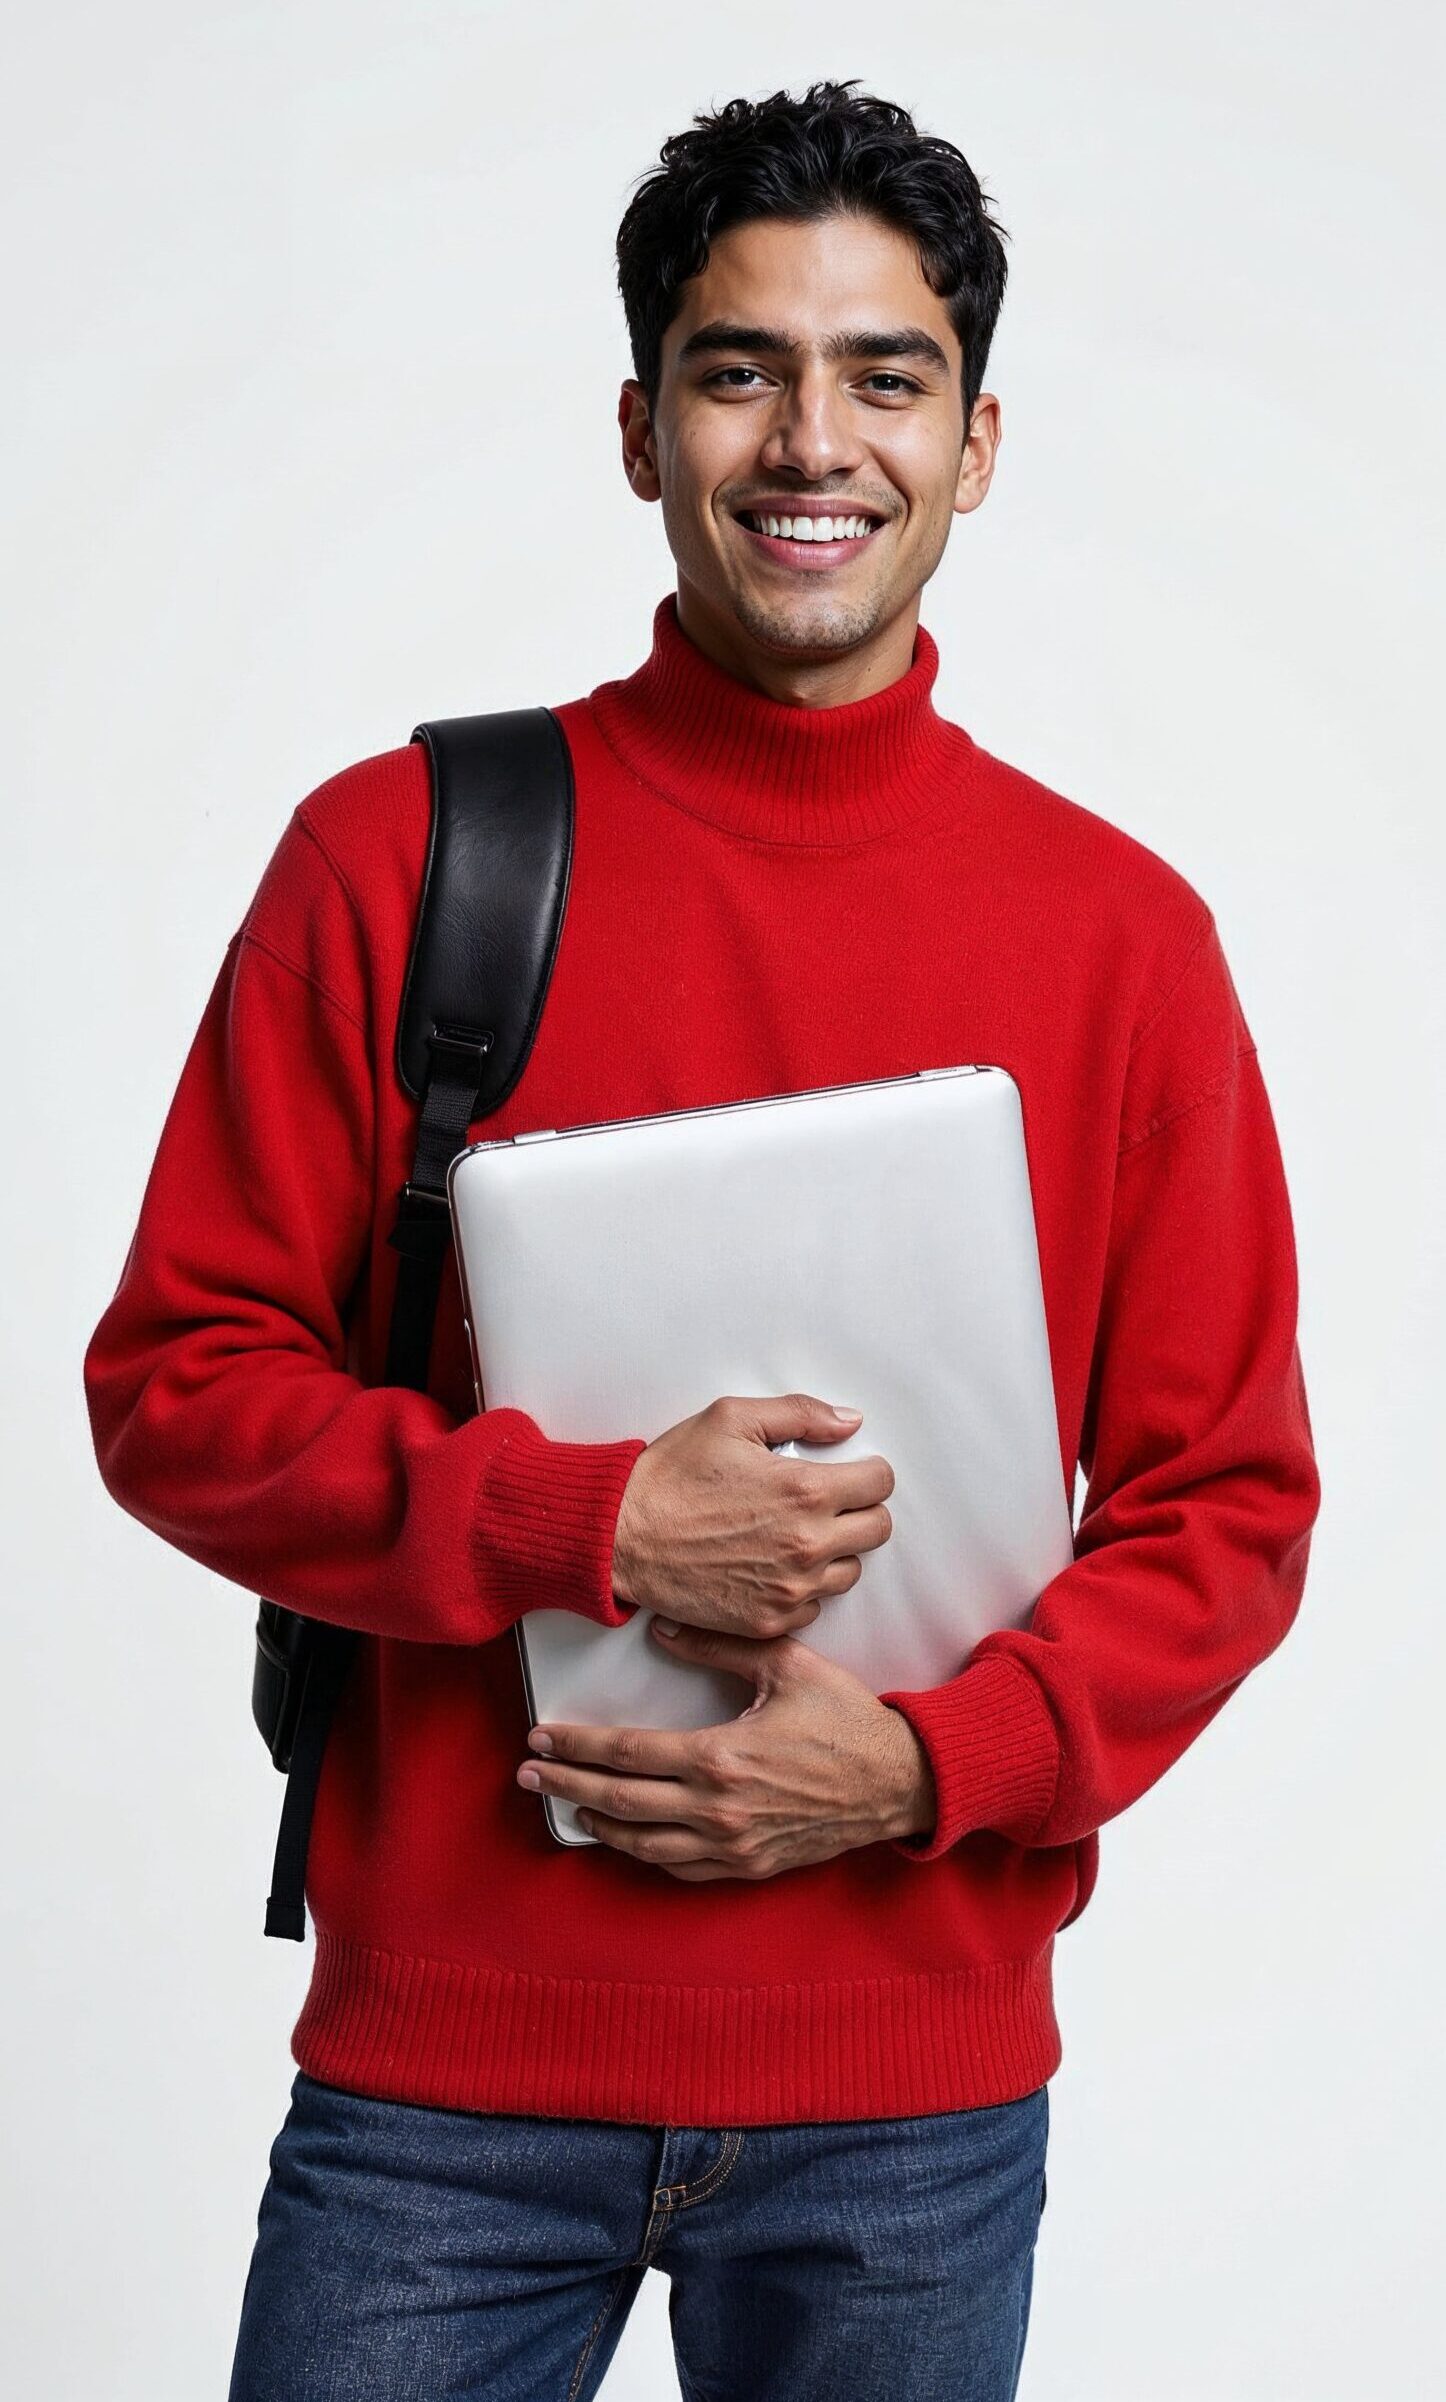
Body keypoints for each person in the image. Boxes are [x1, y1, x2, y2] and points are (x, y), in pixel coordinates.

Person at [82, 78, 1321, 2402]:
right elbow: (175, 1386)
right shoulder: (399, 859)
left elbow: (1230, 1507)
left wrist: (932, 1768)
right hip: (445, 2081)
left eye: (888, 375)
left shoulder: (1126, 942)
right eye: (742, 370)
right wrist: (579, 1517)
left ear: (977, 442)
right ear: (639, 429)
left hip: (910, 2105)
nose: (810, 441)